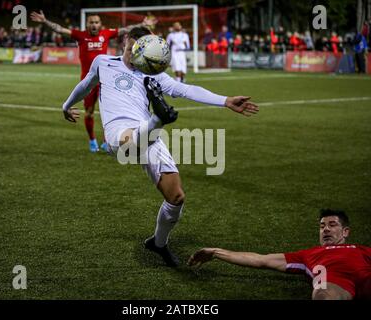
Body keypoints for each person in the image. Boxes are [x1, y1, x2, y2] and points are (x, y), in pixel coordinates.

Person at [61, 27, 259, 267]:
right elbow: (86, 85)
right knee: (129, 144)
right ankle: (159, 119)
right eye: (136, 45)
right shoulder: (103, 62)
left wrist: (225, 100)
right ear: (126, 41)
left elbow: (186, 90)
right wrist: (66, 105)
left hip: (147, 132)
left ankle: (159, 243)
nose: (139, 51)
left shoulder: (152, 73)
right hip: (118, 131)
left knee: (176, 196)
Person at [31, 10, 157, 153]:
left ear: (100, 24)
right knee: (89, 112)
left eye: (96, 22)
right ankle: (92, 141)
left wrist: (142, 24)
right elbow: (60, 29)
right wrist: (45, 21)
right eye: (91, 22)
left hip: (107, 81)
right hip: (88, 82)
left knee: (111, 111)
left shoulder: (106, 34)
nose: (94, 25)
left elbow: (125, 30)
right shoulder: (80, 35)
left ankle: (106, 141)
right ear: (87, 24)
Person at [188, 209, 371, 300]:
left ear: (345, 232)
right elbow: (261, 260)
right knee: (322, 293)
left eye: (332, 225)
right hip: (336, 283)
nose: (326, 230)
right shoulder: (308, 255)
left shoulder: (361, 250)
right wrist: (215, 252)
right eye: (322, 226)